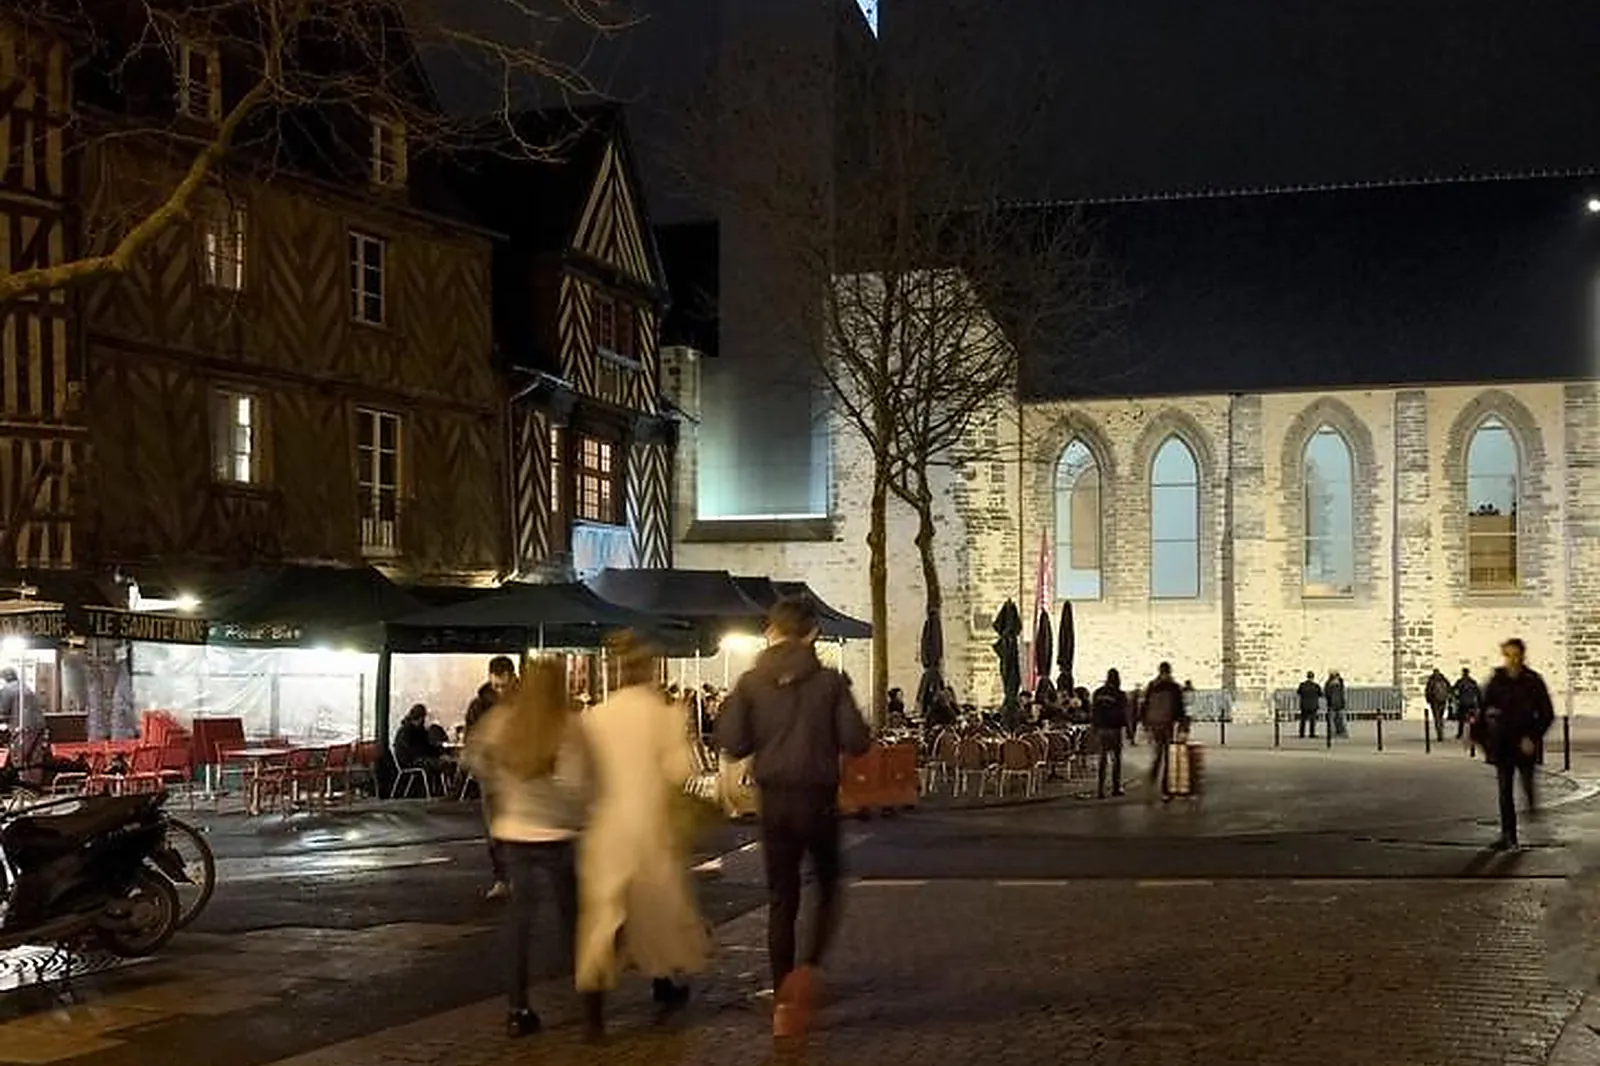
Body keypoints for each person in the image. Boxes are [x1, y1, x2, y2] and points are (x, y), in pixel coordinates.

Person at [717, 597, 871, 1041]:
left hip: (774, 800)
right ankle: (809, 969)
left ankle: (783, 999)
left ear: (772, 630)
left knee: (782, 898)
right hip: (818, 797)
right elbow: (856, 741)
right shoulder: (829, 683)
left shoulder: (750, 683)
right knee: (827, 886)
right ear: (813, 633)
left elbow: (733, 742)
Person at [575, 632, 709, 1042]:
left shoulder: (595, 716)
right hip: (651, 824)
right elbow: (681, 771)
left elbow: (582, 776)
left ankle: (593, 1012)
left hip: (608, 825)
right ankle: (664, 981)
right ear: (650, 670)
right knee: (657, 908)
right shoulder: (663, 715)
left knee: (604, 917)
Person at [464, 660, 586, 1038]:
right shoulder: (567, 725)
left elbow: (472, 759)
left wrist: (502, 788)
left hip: (515, 834)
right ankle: (589, 1001)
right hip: (558, 834)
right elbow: (580, 783)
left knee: (520, 923)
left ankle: (517, 1008)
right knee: (574, 920)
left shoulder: (502, 721)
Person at [1477, 638, 1555, 850]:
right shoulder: (1497, 681)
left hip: (1524, 743)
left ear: (1522, 656)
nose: (1512, 660)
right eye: (1508, 655)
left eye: (1516, 655)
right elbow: (1484, 709)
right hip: (1503, 743)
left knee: (1527, 781)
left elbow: (1547, 713)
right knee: (1505, 791)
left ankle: (1531, 807)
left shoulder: (1532, 680)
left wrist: (1533, 736)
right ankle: (1508, 835)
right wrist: (1477, 735)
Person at [1142, 663, 1186, 799]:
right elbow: (1179, 708)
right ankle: (1165, 789)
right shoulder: (1174, 687)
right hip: (1168, 725)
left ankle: (1151, 779)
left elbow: (1145, 705)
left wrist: (1145, 726)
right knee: (1167, 757)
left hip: (1155, 724)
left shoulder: (1152, 685)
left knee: (1158, 753)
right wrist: (1182, 727)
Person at [0, 668, 46, 788]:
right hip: (39, 727)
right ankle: (34, 790)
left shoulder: (7, 690)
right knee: (34, 760)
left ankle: (24, 791)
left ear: (4, 679)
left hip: (22, 728)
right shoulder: (25, 687)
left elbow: (2, 712)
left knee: (20, 759)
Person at [393, 704, 453, 794]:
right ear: (421, 717)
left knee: (442, 762)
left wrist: (439, 753)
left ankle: (440, 789)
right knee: (440, 764)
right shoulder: (406, 731)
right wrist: (436, 755)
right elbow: (414, 750)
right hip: (409, 760)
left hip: (414, 758)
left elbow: (427, 746)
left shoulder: (416, 730)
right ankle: (442, 789)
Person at [1090, 669, 1128, 798]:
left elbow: (1093, 711)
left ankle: (1100, 789)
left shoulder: (1098, 693)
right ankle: (1115, 788)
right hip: (1115, 730)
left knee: (1102, 760)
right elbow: (1125, 714)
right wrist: (1128, 731)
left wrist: (1094, 727)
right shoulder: (1120, 694)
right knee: (1116, 760)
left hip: (1102, 730)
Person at [1454, 667, 1483, 742]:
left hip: (1462, 702)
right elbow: (1478, 692)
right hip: (1471, 703)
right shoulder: (1472, 682)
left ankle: (1460, 733)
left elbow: (1453, 690)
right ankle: (1472, 734)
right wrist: (1479, 703)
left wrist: (1457, 698)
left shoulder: (1460, 681)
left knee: (1461, 719)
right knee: (1471, 719)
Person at [1425, 667, 1451, 743]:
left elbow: (1428, 691)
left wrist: (1428, 700)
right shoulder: (1444, 679)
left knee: (1437, 717)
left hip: (1435, 701)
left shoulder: (1431, 680)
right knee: (1441, 717)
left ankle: (1439, 733)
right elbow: (1449, 689)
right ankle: (1441, 732)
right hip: (1443, 700)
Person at [1296, 672, 1323, 739]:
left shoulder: (1302, 685)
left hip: (1304, 704)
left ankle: (1301, 734)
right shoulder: (1316, 686)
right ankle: (1312, 734)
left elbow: (1298, 692)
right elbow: (1320, 694)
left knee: (1303, 720)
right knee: (1312, 721)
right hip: (1313, 705)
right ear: (1313, 677)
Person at [1325, 671, 1348, 738]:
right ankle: (1342, 732)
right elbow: (1343, 694)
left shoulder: (1328, 684)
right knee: (1341, 719)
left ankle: (1332, 733)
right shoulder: (1340, 684)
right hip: (1340, 704)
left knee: (1332, 720)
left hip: (1332, 704)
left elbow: (1327, 694)